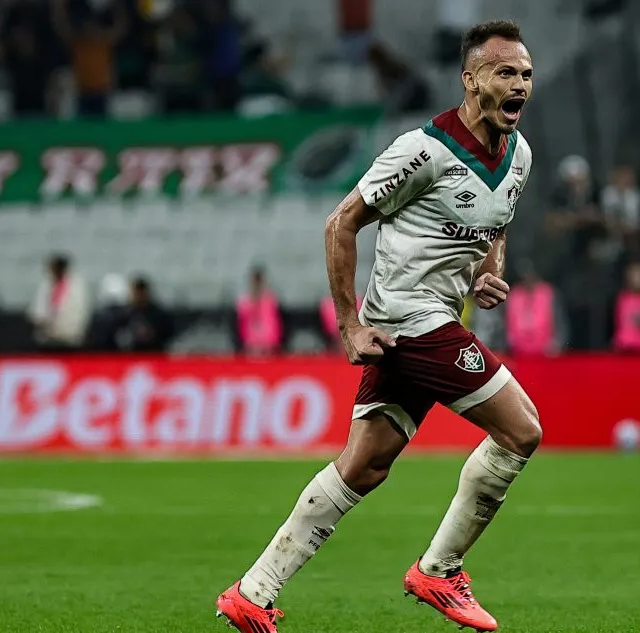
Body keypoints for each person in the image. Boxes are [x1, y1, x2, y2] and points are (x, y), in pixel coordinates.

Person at [216, 20, 538, 633]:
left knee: (364, 465)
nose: (519, 84)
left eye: (525, 74)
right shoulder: (423, 150)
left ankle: (252, 592)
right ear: (471, 81)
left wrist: (488, 270)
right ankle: (440, 571)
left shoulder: (518, 154)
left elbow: (497, 220)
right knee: (521, 431)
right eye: (505, 73)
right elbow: (341, 223)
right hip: (408, 320)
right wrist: (349, 325)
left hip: (434, 318)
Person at [27, 254, 91, 352]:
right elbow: (38, 312)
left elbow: (79, 312)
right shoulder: (47, 285)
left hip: (70, 339)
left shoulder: (76, 286)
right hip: (47, 338)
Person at [235, 266, 283, 356]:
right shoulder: (244, 300)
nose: (257, 284)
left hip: (268, 342)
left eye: (259, 281)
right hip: (251, 342)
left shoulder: (270, 299)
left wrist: (274, 340)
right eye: (255, 281)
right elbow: (241, 321)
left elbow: (275, 322)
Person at [125, 275, 174, 352]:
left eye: (141, 293)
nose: (139, 296)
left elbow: (168, 337)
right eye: (136, 293)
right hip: (129, 357)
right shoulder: (124, 315)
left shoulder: (159, 315)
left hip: (154, 355)